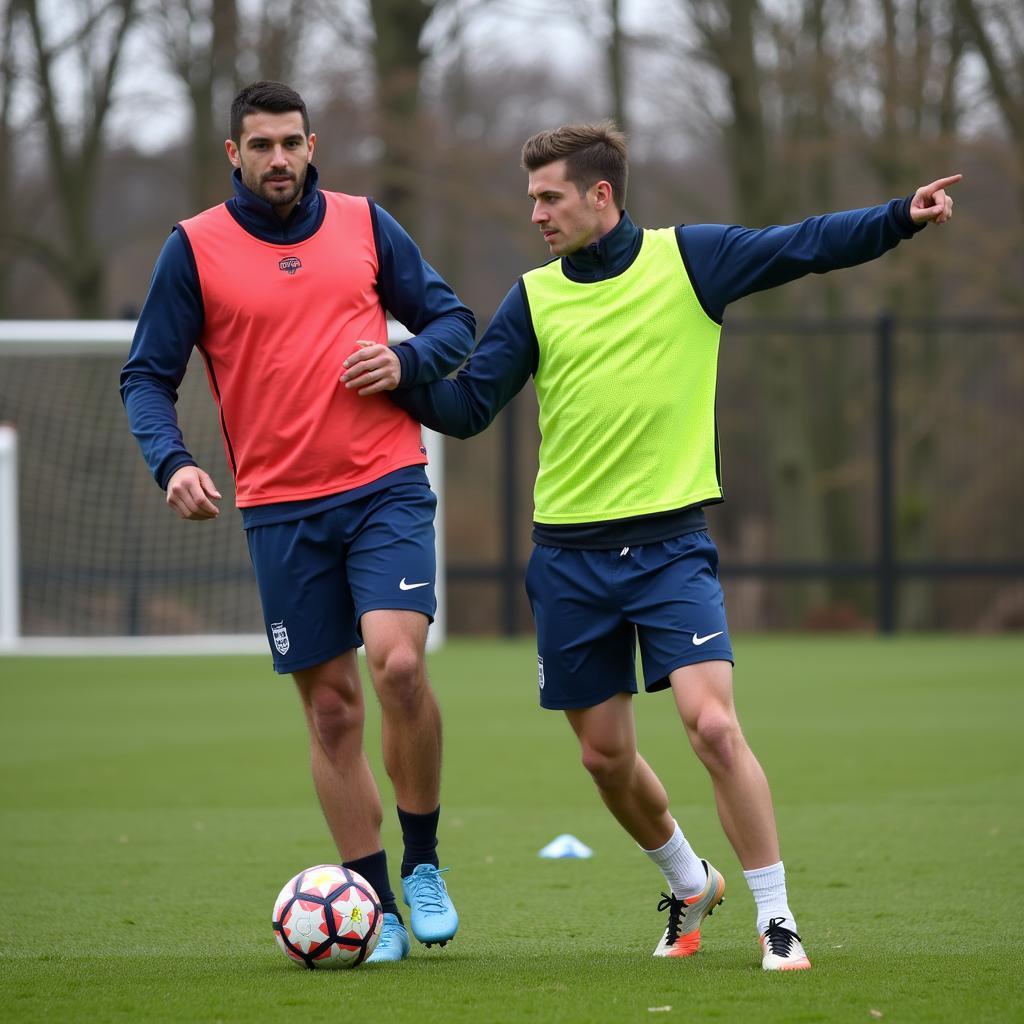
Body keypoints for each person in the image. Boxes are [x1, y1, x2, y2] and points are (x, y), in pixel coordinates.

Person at [390, 121, 960, 970]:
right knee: (604, 758)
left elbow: (802, 246)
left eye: (550, 197)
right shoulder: (534, 297)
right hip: (567, 560)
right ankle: (690, 882)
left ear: (601, 194)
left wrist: (898, 217)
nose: (537, 213)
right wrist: (398, 379)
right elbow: (470, 409)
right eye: (532, 197)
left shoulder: (690, 260)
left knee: (712, 726)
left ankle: (777, 919)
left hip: (669, 548)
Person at [120, 81, 476, 963]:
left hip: (384, 482)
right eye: (260, 145)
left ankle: (424, 863)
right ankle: (377, 906)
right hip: (279, 509)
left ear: (312, 145)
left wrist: (403, 359)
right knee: (329, 713)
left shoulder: (364, 222)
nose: (278, 159)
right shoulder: (192, 249)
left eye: (291, 143)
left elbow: (454, 322)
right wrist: (176, 462)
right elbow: (145, 377)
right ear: (232, 155)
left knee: (397, 663)